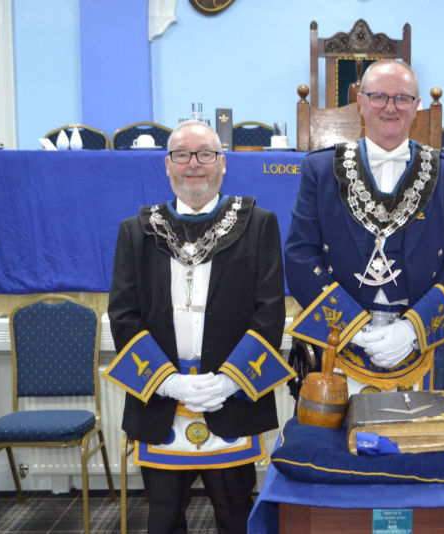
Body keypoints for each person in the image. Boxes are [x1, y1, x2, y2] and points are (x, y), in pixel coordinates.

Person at [102, 120, 293, 534]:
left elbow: (269, 313)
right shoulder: (136, 231)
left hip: (231, 399)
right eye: (182, 155)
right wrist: (168, 382)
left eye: (205, 154)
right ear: (167, 165)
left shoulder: (258, 224)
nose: (194, 164)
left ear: (223, 164)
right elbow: (124, 315)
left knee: (235, 514)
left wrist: (229, 381)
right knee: (164, 518)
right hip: (161, 400)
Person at [284, 59, 444, 394]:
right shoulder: (321, 169)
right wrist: (352, 328)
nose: (391, 107)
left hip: (415, 349)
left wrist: (412, 330)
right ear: (361, 103)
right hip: (338, 344)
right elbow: (300, 256)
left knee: (415, 429)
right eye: (379, 97)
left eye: (402, 98)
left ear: (416, 107)